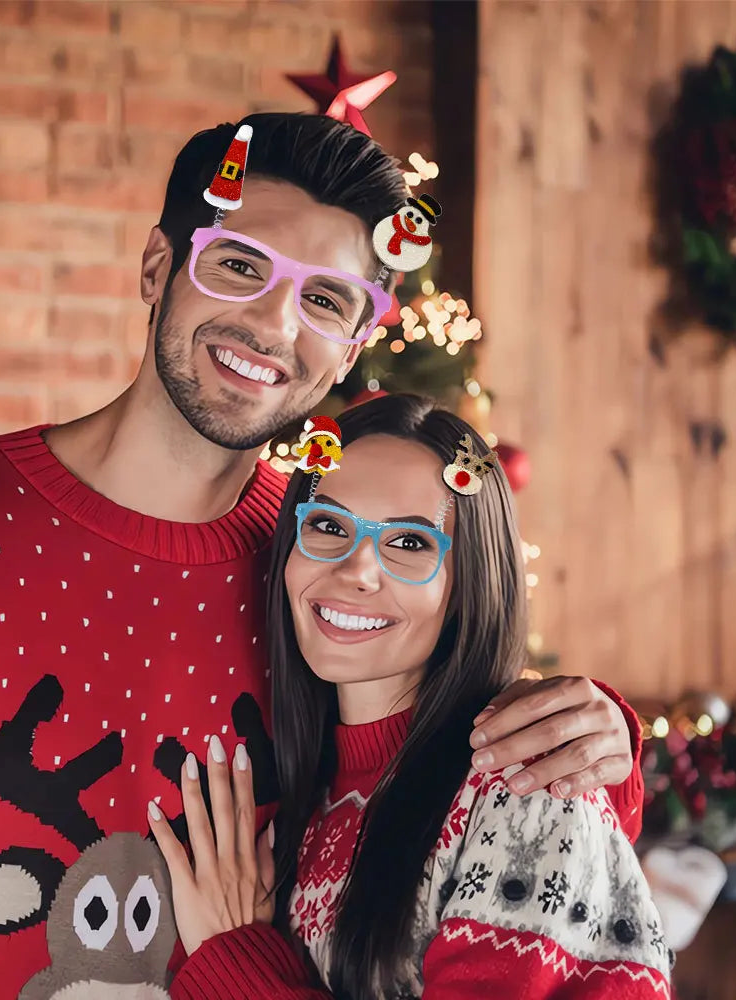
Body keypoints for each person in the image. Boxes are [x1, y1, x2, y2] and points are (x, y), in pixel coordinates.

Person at [0, 115, 642, 998]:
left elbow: (436, 778)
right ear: (159, 267)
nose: (273, 322)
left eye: (324, 299)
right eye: (239, 265)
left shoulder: (320, 576)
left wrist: (599, 746)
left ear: (353, 345)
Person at [149, 395, 673, 1000]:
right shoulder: (309, 800)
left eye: (411, 544)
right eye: (327, 525)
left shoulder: (522, 785)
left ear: (468, 586)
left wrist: (233, 967)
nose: (357, 569)